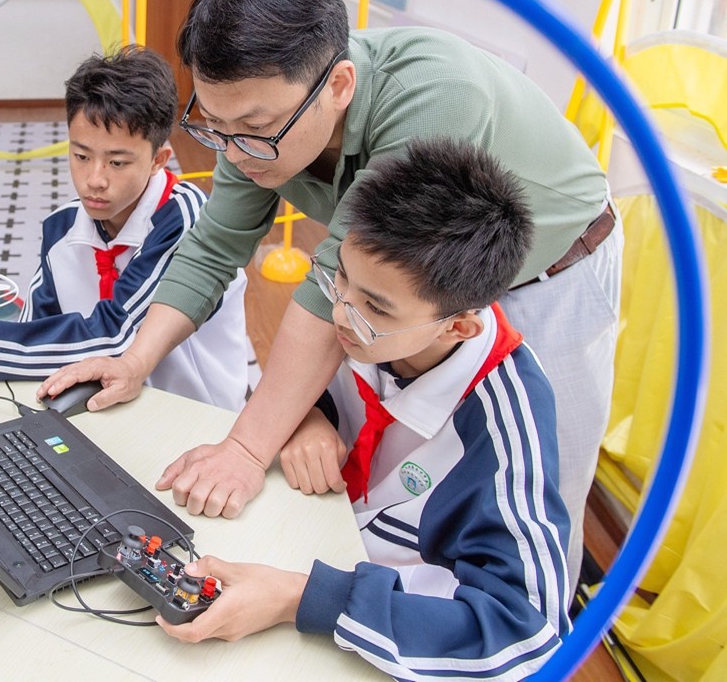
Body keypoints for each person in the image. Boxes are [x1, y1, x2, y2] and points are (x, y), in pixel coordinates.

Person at [39, 0, 620, 584]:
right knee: (400, 466)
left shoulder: (435, 98)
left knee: (535, 487)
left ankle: (538, 625)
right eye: (216, 126)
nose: (234, 151)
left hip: (552, 273)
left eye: (254, 129)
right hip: (409, 298)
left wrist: (243, 448)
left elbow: (326, 289)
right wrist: (134, 359)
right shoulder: (257, 123)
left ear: (338, 88)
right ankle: (402, 595)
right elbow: (214, 248)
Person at [158, 138, 571, 681]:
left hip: (396, 636)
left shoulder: (504, 421)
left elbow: (527, 631)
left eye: (375, 306)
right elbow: (304, 388)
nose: (343, 316)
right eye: (340, 279)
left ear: (458, 325)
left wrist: (300, 597)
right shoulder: (373, 334)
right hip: (318, 547)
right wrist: (308, 416)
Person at [0, 45, 252, 411]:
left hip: (199, 419)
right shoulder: (63, 228)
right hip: (104, 411)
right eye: (81, 156)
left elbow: (117, 336)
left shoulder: (187, 219)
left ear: (158, 160)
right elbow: (34, 333)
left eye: (117, 162)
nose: (94, 180)